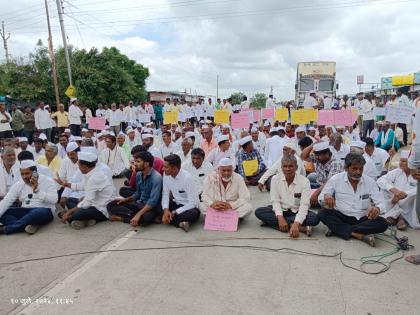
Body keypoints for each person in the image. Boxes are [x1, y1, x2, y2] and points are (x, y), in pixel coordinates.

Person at [318, 153, 388, 247]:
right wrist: (327, 197)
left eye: (361, 169)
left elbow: (381, 203)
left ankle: (337, 229)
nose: (358, 172)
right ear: (346, 168)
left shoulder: (370, 182)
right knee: (322, 213)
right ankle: (359, 235)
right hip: (341, 216)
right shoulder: (336, 179)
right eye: (354, 168)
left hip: (362, 218)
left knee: (383, 223)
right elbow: (321, 198)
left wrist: (377, 209)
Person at [255, 155, 320, 237]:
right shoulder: (275, 179)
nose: (288, 169)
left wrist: (296, 223)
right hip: (281, 210)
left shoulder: (305, 181)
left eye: (290, 166)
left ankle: (284, 225)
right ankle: (300, 228)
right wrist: (280, 218)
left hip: (297, 211)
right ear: (281, 167)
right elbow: (275, 201)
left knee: (314, 219)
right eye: (285, 166)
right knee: (259, 212)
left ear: (296, 167)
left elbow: (304, 205)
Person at [56, 152, 114, 229]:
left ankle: (77, 218)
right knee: (69, 200)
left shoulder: (94, 178)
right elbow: (82, 186)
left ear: (84, 166)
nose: (78, 167)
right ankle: (87, 220)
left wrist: (70, 211)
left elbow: (87, 202)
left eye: (78, 165)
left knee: (77, 214)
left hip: (101, 207)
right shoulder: (91, 172)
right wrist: (65, 184)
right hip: (93, 203)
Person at [0, 160, 57, 235]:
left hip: (44, 210)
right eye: (22, 174)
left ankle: (6, 229)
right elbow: (6, 201)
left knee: (36, 213)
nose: (24, 177)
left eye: (27, 173)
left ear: (35, 172)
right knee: (4, 212)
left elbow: (54, 200)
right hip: (25, 210)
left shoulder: (48, 181)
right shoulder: (19, 184)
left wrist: (37, 190)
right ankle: (28, 225)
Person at [107, 151, 163, 226]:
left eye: (138, 161)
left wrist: (138, 215)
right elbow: (138, 194)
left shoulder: (156, 178)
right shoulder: (139, 174)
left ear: (146, 164)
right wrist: (126, 200)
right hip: (139, 203)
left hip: (150, 207)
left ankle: (123, 218)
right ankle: (135, 217)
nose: (135, 164)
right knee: (111, 204)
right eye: (135, 161)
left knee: (146, 218)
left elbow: (153, 201)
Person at [377, 151, 418, 230]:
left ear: (410, 163)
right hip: (395, 200)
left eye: (403, 161)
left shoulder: (417, 174)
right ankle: (398, 217)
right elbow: (380, 180)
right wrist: (395, 191)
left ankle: (399, 218)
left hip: (409, 203)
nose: (400, 163)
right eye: (400, 161)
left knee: (416, 195)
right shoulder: (397, 171)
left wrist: (405, 194)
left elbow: (416, 190)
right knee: (385, 189)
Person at [161, 154, 200, 232]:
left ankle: (173, 220)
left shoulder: (187, 178)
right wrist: (166, 210)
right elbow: (165, 194)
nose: (162, 169)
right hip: (176, 203)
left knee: (194, 213)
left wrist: (175, 212)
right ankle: (181, 223)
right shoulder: (166, 175)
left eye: (166, 167)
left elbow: (193, 202)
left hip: (188, 207)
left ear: (175, 169)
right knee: (158, 207)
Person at [301, 141, 344, 206]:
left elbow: (329, 183)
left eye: (319, 155)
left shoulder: (336, 163)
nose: (317, 157)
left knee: (322, 201)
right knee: (302, 187)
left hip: (332, 189)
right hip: (319, 185)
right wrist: (312, 145)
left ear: (327, 154)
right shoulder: (319, 158)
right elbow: (303, 156)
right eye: (316, 155)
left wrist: (316, 194)